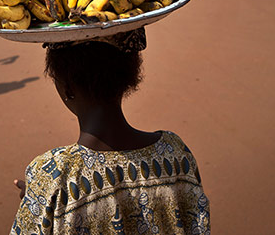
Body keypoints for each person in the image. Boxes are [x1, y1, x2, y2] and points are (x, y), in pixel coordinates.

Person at [11, 29, 210, 234]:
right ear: (128, 78)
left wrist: (39, 200)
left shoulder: (53, 173)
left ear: (67, 88)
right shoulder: (175, 153)